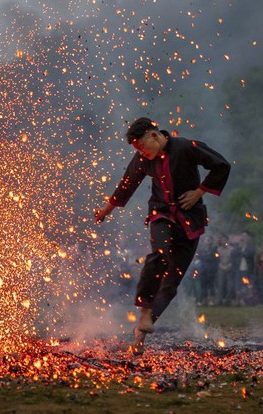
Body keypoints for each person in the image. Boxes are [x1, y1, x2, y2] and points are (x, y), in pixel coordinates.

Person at [94, 117, 230, 354]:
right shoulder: (143, 159)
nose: (142, 152)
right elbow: (128, 183)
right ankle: (144, 311)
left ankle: (140, 334)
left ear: (155, 136)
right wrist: (107, 209)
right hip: (161, 215)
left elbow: (221, 165)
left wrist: (199, 192)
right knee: (160, 254)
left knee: (170, 285)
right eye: (138, 149)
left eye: (143, 147)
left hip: (190, 219)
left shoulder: (187, 147)